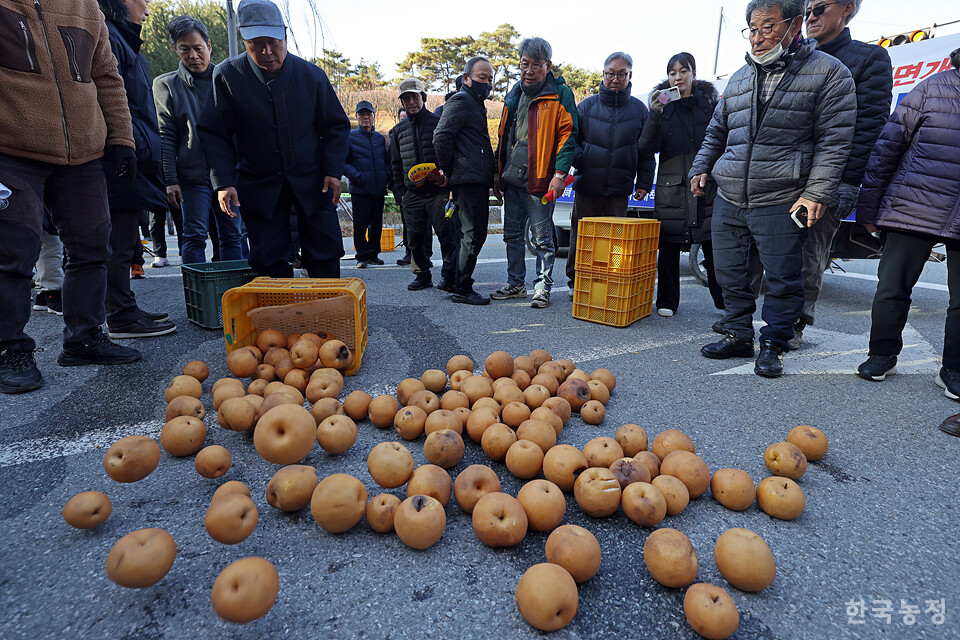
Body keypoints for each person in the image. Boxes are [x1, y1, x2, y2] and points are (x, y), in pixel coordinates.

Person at [690, 0, 855, 378]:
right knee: (729, 272)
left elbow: (835, 141)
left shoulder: (830, 73)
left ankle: (774, 343)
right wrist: (702, 167)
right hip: (731, 193)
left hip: (783, 193)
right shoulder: (738, 78)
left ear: (795, 24)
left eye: (768, 27)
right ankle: (736, 333)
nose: (758, 37)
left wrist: (816, 192)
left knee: (782, 277)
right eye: (752, 28)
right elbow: (717, 130)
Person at [0, 0, 141, 393]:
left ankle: (85, 338)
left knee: (94, 243)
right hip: (10, 148)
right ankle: (9, 349)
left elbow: (107, 76)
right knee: (14, 249)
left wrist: (121, 136)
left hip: (82, 151)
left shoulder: (85, 6)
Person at [198, 0, 350, 278]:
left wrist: (333, 171)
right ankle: (276, 316)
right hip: (258, 179)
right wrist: (223, 182)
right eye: (257, 44)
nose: (267, 51)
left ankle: (327, 312)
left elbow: (336, 127)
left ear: (285, 36)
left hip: (313, 178)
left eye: (273, 42)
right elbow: (214, 132)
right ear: (244, 40)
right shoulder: (229, 75)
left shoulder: (311, 76)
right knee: (267, 257)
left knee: (325, 249)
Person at [854, 47, 960, 412]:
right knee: (892, 287)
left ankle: (954, 369)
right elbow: (888, 146)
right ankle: (882, 354)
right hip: (914, 205)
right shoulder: (933, 87)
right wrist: (869, 206)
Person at [789, 0, 893, 348]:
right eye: (806, 10)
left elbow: (868, 128)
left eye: (819, 7)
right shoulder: (793, 56)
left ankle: (794, 324)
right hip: (780, 174)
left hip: (827, 178)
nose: (810, 17)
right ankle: (757, 322)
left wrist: (847, 182)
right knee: (767, 253)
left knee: (808, 254)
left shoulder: (869, 59)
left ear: (847, 8)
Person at [99, 0, 177, 338]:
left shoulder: (124, 40)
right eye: (140, 1)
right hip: (119, 153)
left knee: (126, 235)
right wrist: (127, 145)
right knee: (117, 239)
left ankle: (124, 306)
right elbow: (114, 99)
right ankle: (119, 315)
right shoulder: (112, 38)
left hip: (132, 150)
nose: (146, 9)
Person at [491, 37, 578, 309]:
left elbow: (569, 135)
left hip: (541, 179)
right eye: (524, 64)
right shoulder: (514, 93)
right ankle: (516, 284)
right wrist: (497, 173)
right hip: (512, 179)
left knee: (542, 238)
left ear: (548, 65)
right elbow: (503, 137)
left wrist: (560, 174)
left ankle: (542, 288)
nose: (528, 70)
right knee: (512, 235)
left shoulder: (560, 94)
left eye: (536, 65)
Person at [154, 15, 244, 266]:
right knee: (193, 236)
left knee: (233, 235)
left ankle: (233, 295)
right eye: (185, 49)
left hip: (227, 173)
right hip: (192, 176)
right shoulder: (165, 85)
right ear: (176, 49)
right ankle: (198, 300)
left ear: (209, 46)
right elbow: (166, 134)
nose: (193, 55)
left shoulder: (227, 78)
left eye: (198, 48)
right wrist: (170, 180)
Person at [638, 52, 724, 316]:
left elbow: (722, 140)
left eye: (683, 71)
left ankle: (723, 302)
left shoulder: (708, 104)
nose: (678, 77)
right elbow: (645, 147)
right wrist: (654, 114)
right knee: (668, 246)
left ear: (693, 74)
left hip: (705, 185)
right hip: (671, 187)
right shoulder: (662, 106)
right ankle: (666, 301)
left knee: (714, 247)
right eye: (672, 72)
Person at [568, 52, 655, 300]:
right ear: (603, 74)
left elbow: (646, 151)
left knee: (616, 245)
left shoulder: (639, 110)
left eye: (621, 74)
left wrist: (644, 183)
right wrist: (583, 157)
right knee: (582, 240)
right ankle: (577, 283)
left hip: (620, 189)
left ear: (630, 76)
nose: (615, 79)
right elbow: (568, 142)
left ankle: (610, 286)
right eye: (610, 73)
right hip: (587, 186)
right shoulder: (585, 107)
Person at [434, 56, 497, 305]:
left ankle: (451, 278)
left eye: (490, 79)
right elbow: (441, 136)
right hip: (468, 178)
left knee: (463, 233)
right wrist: (449, 169)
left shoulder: (474, 103)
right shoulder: (462, 100)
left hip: (470, 177)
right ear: (466, 78)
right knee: (474, 235)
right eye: (482, 77)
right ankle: (462, 287)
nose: (487, 83)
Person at [390, 78, 458, 292]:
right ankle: (422, 274)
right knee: (415, 238)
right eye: (406, 98)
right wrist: (400, 193)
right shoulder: (398, 131)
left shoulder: (438, 122)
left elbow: (450, 155)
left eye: (415, 96)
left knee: (447, 235)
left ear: (423, 98)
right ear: (402, 101)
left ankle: (449, 274)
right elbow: (394, 164)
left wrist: (448, 183)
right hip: (412, 195)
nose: (411, 101)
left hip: (438, 192)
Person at [344, 100, 391, 268]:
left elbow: (386, 161)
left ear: (373, 116)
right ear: (357, 117)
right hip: (360, 189)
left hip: (379, 189)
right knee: (360, 225)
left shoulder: (379, 138)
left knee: (376, 225)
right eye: (362, 114)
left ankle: (373, 254)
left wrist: (386, 175)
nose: (365, 117)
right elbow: (343, 163)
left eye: (368, 114)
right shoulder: (350, 137)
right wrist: (357, 176)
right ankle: (362, 256)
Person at [389, 108, 411, 266]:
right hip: (402, 188)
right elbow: (391, 163)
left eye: (406, 118)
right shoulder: (394, 136)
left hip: (420, 186)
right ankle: (409, 252)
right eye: (401, 118)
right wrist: (395, 185)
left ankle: (425, 254)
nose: (404, 121)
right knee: (407, 222)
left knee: (423, 224)